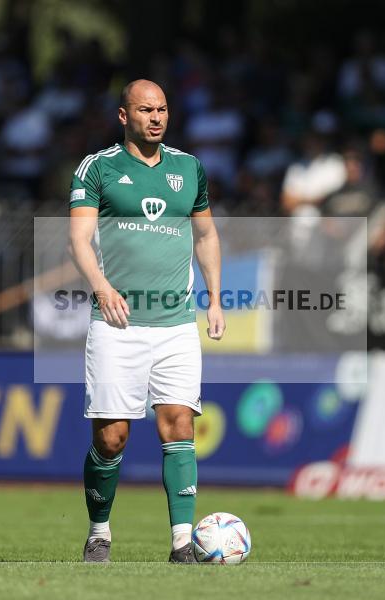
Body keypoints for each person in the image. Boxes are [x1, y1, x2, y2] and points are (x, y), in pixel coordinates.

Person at [68, 79, 225, 563]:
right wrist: (102, 287)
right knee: (111, 436)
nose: (155, 118)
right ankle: (99, 531)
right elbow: (78, 239)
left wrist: (215, 298)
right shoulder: (98, 168)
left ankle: (183, 542)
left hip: (176, 323)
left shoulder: (189, 169)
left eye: (161, 110)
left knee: (178, 425)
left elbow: (206, 236)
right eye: (144, 110)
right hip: (118, 325)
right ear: (123, 116)